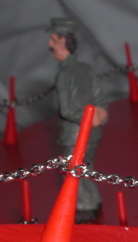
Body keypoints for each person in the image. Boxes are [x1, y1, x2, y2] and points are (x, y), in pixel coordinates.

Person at [46, 17, 108, 224]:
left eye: (53, 40)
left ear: (63, 42)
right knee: (87, 169)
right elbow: (100, 99)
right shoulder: (86, 68)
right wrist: (100, 115)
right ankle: (94, 200)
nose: (50, 44)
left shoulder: (64, 75)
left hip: (75, 135)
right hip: (93, 133)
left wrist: (89, 118)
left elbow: (67, 110)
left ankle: (85, 207)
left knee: (73, 173)